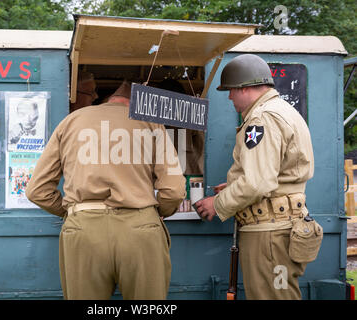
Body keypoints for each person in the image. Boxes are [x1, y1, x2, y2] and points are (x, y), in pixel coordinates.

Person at [26, 81, 186, 300]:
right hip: (140, 229)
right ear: (139, 103)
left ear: (108, 99)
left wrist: (73, 211)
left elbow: (37, 190)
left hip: (83, 230)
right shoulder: (151, 125)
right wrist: (158, 212)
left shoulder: (70, 122)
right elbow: (174, 191)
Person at [193, 54, 315, 300]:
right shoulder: (283, 111)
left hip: (269, 234)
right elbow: (276, 173)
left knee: (272, 296)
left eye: (231, 91)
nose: (229, 97)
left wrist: (217, 204)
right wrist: (233, 186)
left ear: (245, 88)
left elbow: (258, 182)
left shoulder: (262, 118)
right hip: (280, 229)